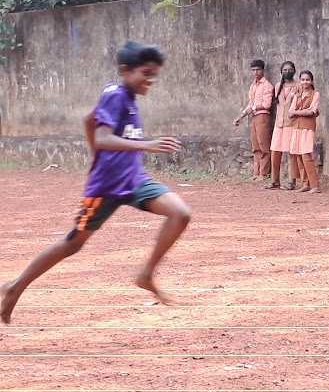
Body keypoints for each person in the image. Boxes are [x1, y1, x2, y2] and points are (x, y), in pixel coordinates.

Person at [1, 40, 192, 324]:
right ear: (125, 70)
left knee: (180, 213)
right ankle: (14, 287)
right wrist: (145, 145)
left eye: (154, 75)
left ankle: (146, 274)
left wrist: (97, 156)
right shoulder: (116, 95)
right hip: (106, 187)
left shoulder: (126, 97)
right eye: (146, 73)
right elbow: (102, 136)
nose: (150, 80)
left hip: (133, 179)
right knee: (72, 244)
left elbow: (88, 121)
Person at [233, 59, 275, 181]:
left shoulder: (267, 86)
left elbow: (266, 104)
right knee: (255, 145)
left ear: (263, 70)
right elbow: (250, 103)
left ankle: (264, 173)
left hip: (263, 116)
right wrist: (240, 117)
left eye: (258, 70)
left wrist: (253, 108)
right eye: (253, 70)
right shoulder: (253, 86)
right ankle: (256, 172)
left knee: (263, 145)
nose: (256, 72)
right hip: (255, 117)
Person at [267, 61, 300, 190]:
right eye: (285, 70)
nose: (287, 72)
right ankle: (275, 180)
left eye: (290, 70)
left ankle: (292, 181)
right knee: (275, 151)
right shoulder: (277, 86)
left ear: (294, 71)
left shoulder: (298, 86)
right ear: (281, 72)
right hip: (279, 124)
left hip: (291, 123)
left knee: (292, 153)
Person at [288, 70, 322, 194]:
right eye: (303, 80)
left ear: (311, 81)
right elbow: (290, 112)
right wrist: (302, 112)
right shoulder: (297, 95)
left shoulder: (315, 94)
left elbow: (312, 111)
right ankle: (305, 183)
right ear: (300, 81)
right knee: (297, 154)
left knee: (306, 155)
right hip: (296, 127)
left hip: (307, 127)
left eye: (307, 80)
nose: (305, 82)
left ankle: (315, 185)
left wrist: (297, 112)